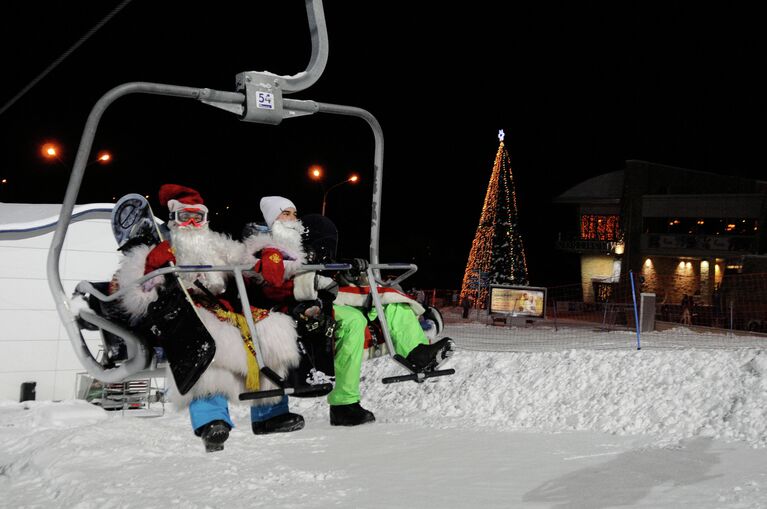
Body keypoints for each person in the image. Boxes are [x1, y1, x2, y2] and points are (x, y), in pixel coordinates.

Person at [114, 184, 302, 451]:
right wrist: (153, 270)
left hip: (224, 308)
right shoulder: (159, 249)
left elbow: (244, 256)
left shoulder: (215, 244)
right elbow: (134, 293)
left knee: (273, 328)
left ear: (205, 220)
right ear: (173, 220)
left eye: (197, 217)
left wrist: (267, 255)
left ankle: (270, 413)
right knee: (204, 343)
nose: (191, 223)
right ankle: (212, 420)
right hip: (185, 310)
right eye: (184, 217)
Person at [299, 214, 454, 427]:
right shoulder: (293, 256)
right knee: (355, 321)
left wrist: (351, 271)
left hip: (340, 300)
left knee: (392, 304)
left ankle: (419, 353)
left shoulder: (330, 261)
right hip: (319, 303)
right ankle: (343, 404)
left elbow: (337, 276)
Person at [242, 196, 338, 432]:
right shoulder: (260, 246)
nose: (293, 219)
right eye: (286, 214)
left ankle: (317, 381)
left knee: (322, 321)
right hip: (261, 307)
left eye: (294, 214)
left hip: (289, 304)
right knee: (273, 331)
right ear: (272, 219)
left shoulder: (296, 248)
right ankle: (266, 414)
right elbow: (269, 282)